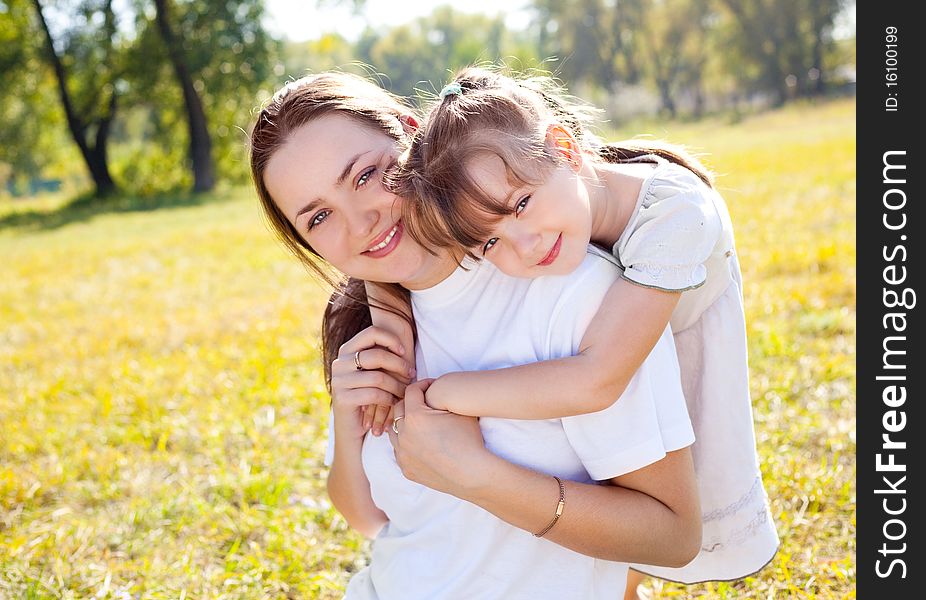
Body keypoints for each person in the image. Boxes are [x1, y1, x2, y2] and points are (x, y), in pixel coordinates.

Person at [249, 72, 701, 599]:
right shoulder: (371, 329)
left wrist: (477, 476)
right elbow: (371, 519)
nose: (359, 222)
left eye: (366, 175)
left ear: (412, 135)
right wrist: (348, 420)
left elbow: (672, 536)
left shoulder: (572, 295)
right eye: (320, 216)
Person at [384, 66, 779, 584]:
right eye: (489, 244)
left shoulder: (677, 215)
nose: (524, 245)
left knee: (647, 525)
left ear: (565, 149)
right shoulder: (564, 196)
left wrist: (446, 394)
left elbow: (597, 379)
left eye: (520, 205)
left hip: (676, 362)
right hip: (627, 366)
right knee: (617, 558)